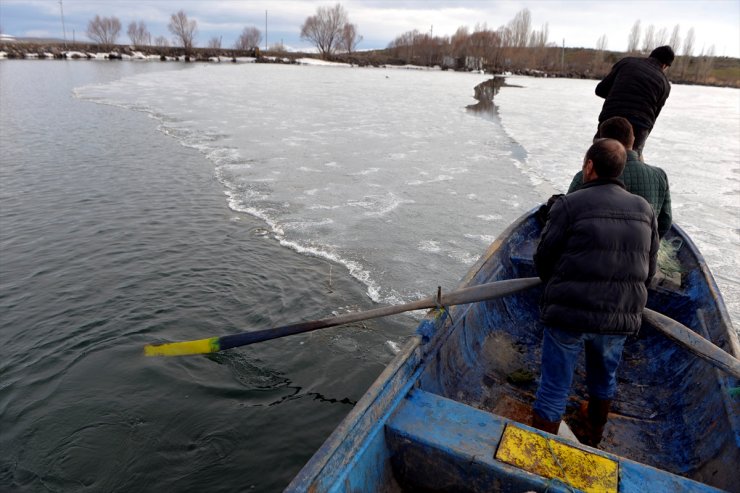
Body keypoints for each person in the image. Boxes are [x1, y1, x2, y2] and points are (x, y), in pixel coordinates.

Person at [531, 139, 659, 447]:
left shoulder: (569, 204)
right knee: (604, 381)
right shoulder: (645, 210)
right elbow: (650, 273)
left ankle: (541, 456)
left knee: (553, 389)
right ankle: (594, 438)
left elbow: (543, 259)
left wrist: (556, 289)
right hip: (619, 318)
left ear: (589, 167)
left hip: (569, 315)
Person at [569, 116, 672, 237]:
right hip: (642, 249)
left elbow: (565, 215)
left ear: (603, 142)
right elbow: (665, 222)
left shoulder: (588, 174)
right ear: (632, 139)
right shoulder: (659, 176)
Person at [595, 45, 674, 157]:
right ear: (665, 65)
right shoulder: (665, 84)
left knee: (599, 156)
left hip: (611, 118)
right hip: (639, 126)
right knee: (633, 159)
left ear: (651, 55)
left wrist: (617, 95)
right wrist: (640, 142)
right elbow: (653, 117)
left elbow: (600, 90)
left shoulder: (627, 62)